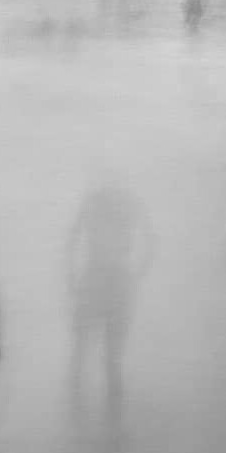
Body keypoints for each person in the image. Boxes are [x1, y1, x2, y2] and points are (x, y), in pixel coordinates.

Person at [66, 178, 155, 435]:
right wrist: (137, 272)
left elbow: (71, 242)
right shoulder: (117, 204)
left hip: (104, 281)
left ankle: (91, 419)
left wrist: (72, 280)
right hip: (110, 281)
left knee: (92, 354)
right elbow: (151, 240)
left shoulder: (100, 204)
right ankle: (105, 421)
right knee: (101, 356)